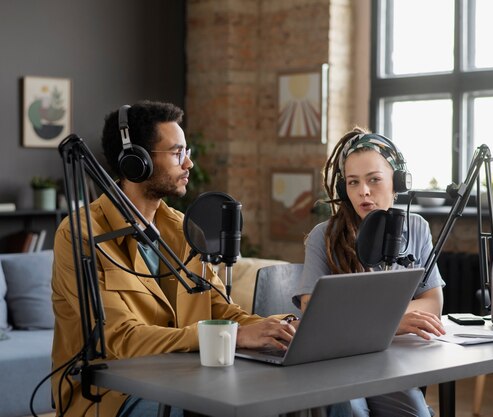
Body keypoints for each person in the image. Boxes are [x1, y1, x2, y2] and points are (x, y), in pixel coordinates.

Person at [51, 101, 297, 417]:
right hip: (114, 396)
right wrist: (229, 337)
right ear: (135, 162)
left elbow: (220, 310)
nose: (189, 164)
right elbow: (120, 340)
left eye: (187, 151)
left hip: (190, 381)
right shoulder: (80, 235)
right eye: (177, 153)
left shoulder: (184, 229)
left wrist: (277, 327)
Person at [294, 127, 446, 417]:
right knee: (352, 412)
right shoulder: (322, 236)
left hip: (388, 358)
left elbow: (432, 303)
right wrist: (393, 319)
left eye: (374, 179)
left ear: (397, 181)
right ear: (343, 189)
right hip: (336, 361)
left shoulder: (416, 228)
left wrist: (360, 318)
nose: (363, 191)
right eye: (353, 183)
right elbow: (314, 311)